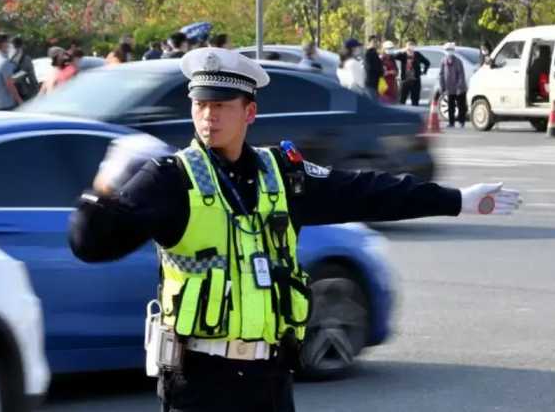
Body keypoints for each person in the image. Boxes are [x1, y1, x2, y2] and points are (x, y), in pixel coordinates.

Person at [69, 47, 521, 412]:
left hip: (270, 380)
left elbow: (364, 191)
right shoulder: (169, 179)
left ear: (249, 112)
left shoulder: (281, 175)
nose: (208, 117)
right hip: (199, 384)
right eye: (200, 105)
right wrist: (102, 191)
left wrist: (457, 200)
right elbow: (92, 246)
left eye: (221, 106)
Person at [393, 39, 430, 106]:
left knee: (415, 100)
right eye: (408, 45)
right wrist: (402, 50)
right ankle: (401, 115)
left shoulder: (417, 54)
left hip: (415, 81)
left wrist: (424, 71)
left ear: (414, 46)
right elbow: (394, 57)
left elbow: (427, 62)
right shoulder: (403, 55)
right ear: (406, 46)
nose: (410, 47)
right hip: (405, 80)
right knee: (402, 100)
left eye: (412, 45)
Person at [439, 42, 468, 127]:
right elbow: (441, 74)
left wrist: (459, 87)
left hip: (459, 88)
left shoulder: (458, 61)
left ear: (453, 50)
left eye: (451, 50)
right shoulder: (443, 61)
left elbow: (461, 75)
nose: (449, 51)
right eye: (447, 50)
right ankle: (451, 122)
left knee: (460, 105)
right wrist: (442, 86)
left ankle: (461, 121)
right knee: (450, 106)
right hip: (449, 87)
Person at [8, 36, 39, 101]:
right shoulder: (25, 59)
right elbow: (32, 78)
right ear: (22, 46)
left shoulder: (6, 58)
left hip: (10, 95)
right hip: (21, 93)